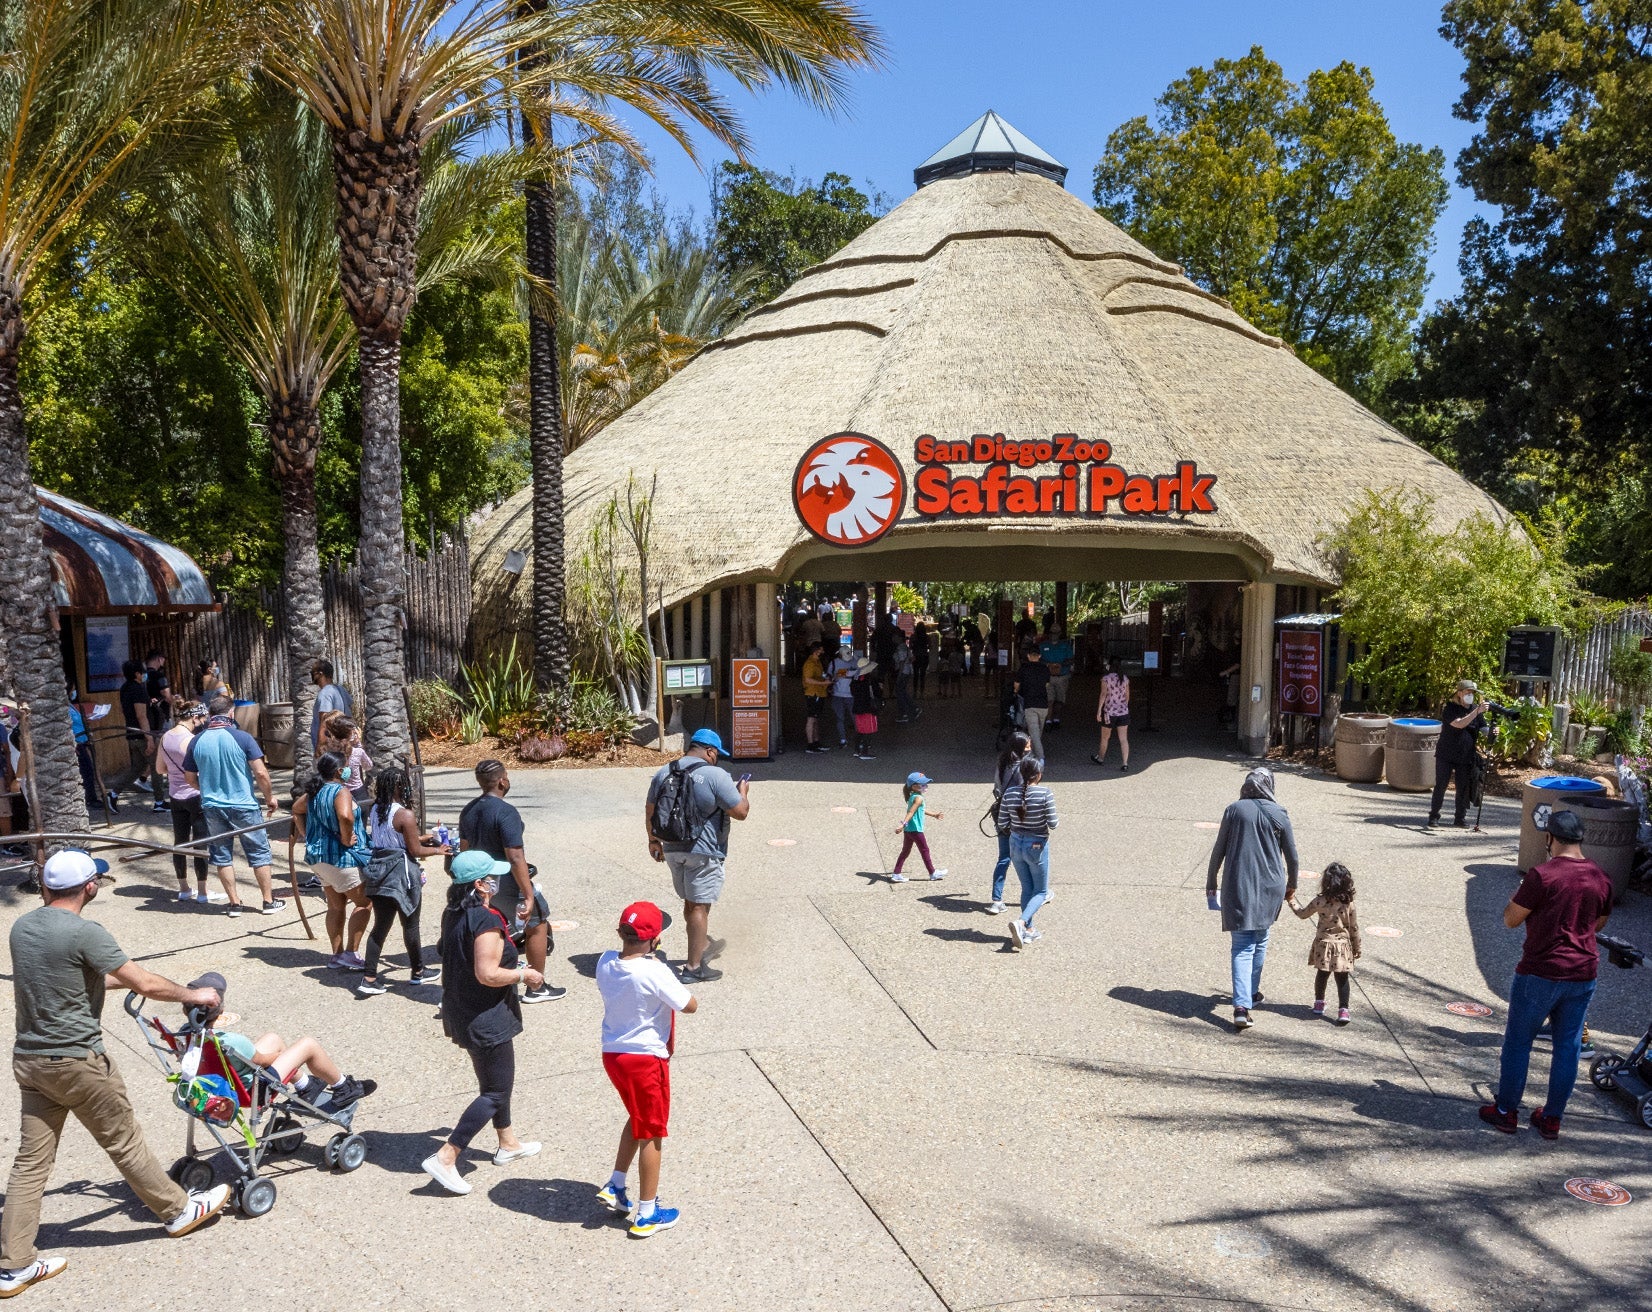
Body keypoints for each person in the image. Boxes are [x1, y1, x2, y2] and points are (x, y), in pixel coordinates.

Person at [0, 850, 231, 1298]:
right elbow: (144, 984)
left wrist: (132, 977)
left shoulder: (22, 927)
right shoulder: (85, 932)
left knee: (30, 1164)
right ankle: (178, 1212)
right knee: (124, 1141)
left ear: (45, 886)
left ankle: (14, 1266)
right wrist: (194, 994)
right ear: (90, 887)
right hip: (78, 1063)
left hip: (31, 1061)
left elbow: (72, 976)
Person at [1479, 810, 1613, 1140]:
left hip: (1540, 972)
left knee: (1518, 1042)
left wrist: (1519, 896)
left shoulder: (1542, 875)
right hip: (1583, 973)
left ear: (1550, 838)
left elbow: (1511, 918)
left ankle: (1506, 1111)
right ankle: (1552, 1118)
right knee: (1567, 1046)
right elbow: (1598, 923)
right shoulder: (1600, 877)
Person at [424, 851, 543, 1194]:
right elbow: (487, 973)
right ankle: (447, 1156)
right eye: (492, 877)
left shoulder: (453, 913)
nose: (497, 881)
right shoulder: (486, 920)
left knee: (494, 1082)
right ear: (479, 885)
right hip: (485, 1016)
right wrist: (523, 974)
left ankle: (508, 1143)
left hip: (462, 1010)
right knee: (495, 1091)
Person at [595, 901, 698, 1236]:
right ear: (655, 940)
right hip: (645, 1060)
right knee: (652, 1132)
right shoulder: (655, 971)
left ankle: (616, 1184)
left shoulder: (605, 962)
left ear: (620, 933)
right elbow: (689, 1005)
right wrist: (661, 967)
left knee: (637, 1117)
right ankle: (647, 1213)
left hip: (614, 1055)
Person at [645, 728, 749, 983]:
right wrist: (743, 791)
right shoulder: (715, 775)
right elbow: (741, 812)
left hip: (671, 847)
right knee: (699, 906)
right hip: (703, 851)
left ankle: (702, 944)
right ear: (710, 751)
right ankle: (693, 968)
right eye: (717, 754)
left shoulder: (664, 772)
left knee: (691, 903)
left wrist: (653, 841)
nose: (716, 759)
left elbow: (650, 810)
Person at [188, 971, 374, 1109]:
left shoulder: (187, 1035)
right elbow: (261, 1061)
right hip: (251, 1091)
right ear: (221, 1011)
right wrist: (285, 1055)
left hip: (220, 1084)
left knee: (273, 1038)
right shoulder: (231, 1041)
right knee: (308, 1045)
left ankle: (305, 1085)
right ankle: (343, 1086)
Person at [459, 759, 563, 1003]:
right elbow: (515, 857)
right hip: (506, 881)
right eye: (506, 776)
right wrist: (528, 894)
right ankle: (536, 987)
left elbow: (464, 850)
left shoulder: (468, 810)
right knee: (537, 922)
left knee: (490, 926)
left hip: (480, 882)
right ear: (502, 781)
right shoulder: (506, 812)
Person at [1206, 767, 1299, 1032]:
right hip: (1271, 886)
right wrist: (1291, 885)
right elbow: (1292, 856)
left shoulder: (1233, 810)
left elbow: (1218, 850)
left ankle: (1241, 1006)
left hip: (1238, 885)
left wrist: (1211, 881)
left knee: (1242, 945)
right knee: (1261, 938)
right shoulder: (1279, 812)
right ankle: (1251, 994)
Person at [183, 695, 284, 918]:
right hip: (244, 805)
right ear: (231, 713)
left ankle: (234, 903)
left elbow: (189, 778)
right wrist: (269, 798)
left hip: (213, 806)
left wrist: (206, 788)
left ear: (210, 714)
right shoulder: (242, 737)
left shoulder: (196, 741)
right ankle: (268, 901)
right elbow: (261, 773)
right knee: (259, 853)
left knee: (222, 855)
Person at [357, 766, 448, 996]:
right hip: (401, 874)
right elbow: (415, 850)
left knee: (380, 927)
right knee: (410, 924)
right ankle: (418, 971)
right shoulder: (405, 814)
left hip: (379, 871)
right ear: (400, 786)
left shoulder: (377, 809)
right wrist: (438, 850)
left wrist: (419, 837)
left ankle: (369, 977)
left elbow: (391, 838)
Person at [293, 753, 371, 969]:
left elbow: (296, 809)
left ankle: (337, 954)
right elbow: (345, 816)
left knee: (336, 906)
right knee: (364, 903)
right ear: (339, 771)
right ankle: (351, 953)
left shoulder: (314, 791)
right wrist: (346, 838)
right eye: (346, 766)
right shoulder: (340, 791)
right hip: (340, 858)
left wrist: (307, 835)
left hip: (319, 858)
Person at [154, 702, 220, 904]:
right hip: (195, 795)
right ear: (194, 717)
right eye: (202, 719)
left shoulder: (165, 737)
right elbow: (203, 769)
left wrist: (175, 773)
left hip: (175, 796)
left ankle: (184, 889)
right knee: (200, 843)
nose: (203, 723)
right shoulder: (192, 740)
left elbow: (159, 769)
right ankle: (202, 892)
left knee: (180, 842)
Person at [1287, 862, 1362, 1025]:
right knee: (1342, 978)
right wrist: (1357, 947)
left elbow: (1302, 914)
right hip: (1342, 946)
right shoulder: (1348, 904)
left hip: (1324, 944)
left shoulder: (1319, 901)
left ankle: (1319, 1003)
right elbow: (1353, 927)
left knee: (1322, 974)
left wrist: (1291, 900)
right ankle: (1343, 1010)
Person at [997, 756, 1057, 950]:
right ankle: (1022, 922)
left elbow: (1002, 822)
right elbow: (1053, 823)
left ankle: (1029, 931)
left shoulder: (1009, 793)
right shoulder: (1045, 793)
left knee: (1026, 888)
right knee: (1040, 891)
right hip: (1037, 845)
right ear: (1038, 774)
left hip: (1015, 844)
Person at [1429, 679, 1487, 829]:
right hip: (1446, 754)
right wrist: (1476, 712)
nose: (1470, 695)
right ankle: (1434, 816)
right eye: (1468, 692)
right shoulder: (1450, 708)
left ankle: (1460, 818)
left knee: (1463, 788)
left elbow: (1483, 728)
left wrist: (1493, 731)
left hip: (1466, 756)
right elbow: (1459, 724)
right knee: (1441, 786)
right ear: (1459, 693)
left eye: (1472, 693)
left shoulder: (1475, 709)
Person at [986, 732, 1033, 915]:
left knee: (1004, 858)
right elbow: (1024, 793)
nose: (1030, 747)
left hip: (1001, 815)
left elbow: (997, 788)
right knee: (1030, 856)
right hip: (1018, 818)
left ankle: (996, 900)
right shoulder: (1023, 766)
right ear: (1020, 747)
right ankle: (1038, 892)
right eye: (1027, 744)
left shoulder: (1002, 761)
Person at [891, 771, 946, 883]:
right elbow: (911, 812)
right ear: (914, 786)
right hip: (915, 829)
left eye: (925, 783)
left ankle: (896, 873)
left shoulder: (913, 796)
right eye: (923, 784)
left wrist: (934, 815)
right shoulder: (919, 798)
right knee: (925, 850)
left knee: (905, 851)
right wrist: (903, 824)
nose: (926, 786)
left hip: (909, 830)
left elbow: (920, 810)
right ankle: (932, 873)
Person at [118, 660, 156, 796]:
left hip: (131, 733)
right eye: (143, 672)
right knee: (156, 766)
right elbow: (141, 716)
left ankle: (114, 794)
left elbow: (123, 709)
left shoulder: (124, 688)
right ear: (137, 674)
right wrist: (149, 738)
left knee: (137, 768)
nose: (145, 675)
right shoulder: (138, 689)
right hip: (141, 735)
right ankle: (159, 801)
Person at [320, 715, 372, 804]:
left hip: (335, 792)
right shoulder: (357, 752)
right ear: (350, 733)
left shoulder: (328, 751)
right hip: (357, 793)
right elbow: (368, 766)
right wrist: (358, 744)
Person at [1013, 646, 1051, 763]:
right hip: (1043, 704)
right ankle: (1034, 754)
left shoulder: (1024, 668)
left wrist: (1016, 691)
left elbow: (1016, 684)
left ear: (1028, 656)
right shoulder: (1045, 668)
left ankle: (1040, 758)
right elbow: (1047, 684)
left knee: (1034, 733)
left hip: (1030, 704)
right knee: (1038, 732)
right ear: (1039, 656)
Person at [1093, 663, 1131, 771]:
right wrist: (1124, 706)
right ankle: (1125, 763)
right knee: (1123, 739)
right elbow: (1127, 695)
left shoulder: (1106, 679)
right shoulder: (1125, 678)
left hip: (1109, 713)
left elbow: (1103, 694)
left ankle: (1100, 758)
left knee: (1105, 737)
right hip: (1123, 712)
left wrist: (1099, 710)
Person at [308, 658, 352, 753]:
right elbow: (349, 711)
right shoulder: (340, 689)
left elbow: (324, 721)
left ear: (320, 674)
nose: (312, 676)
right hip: (343, 744)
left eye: (314, 673)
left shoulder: (325, 693)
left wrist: (319, 748)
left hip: (330, 747)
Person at [1040, 624, 1074, 729]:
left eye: (1056, 633)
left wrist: (1061, 665)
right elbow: (1038, 659)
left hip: (1062, 676)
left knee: (1060, 700)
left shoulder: (1065, 646)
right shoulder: (1043, 645)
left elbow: (1071, 659)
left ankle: (1056, 719)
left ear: (1059, 634)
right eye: (1052, 633)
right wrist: (1048, 664)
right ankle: (1048, 720)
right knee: (1049, 699)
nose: (1053, 635)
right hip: (1048, 677)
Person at [800, 641, 830, 754]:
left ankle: (816, 742)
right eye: (821, 650)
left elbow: (820, 676)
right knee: (811, 719)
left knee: (816, 719)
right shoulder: (810, 663)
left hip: (820, 693)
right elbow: (808, 679)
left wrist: (826, 680)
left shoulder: (818, 662)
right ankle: (810, 745)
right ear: (816, 651)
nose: (823, 652)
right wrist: (823, 683)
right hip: (813, 694)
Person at [850, 658, 881, 761]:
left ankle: (856, 750)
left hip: (857, 708)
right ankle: (864, 752)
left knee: (860, 730)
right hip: (869, 708)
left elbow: (853, 693)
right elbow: (877, 693)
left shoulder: (855, 679)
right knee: (869, 730)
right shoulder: (870, 680)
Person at [826, 645, 856, 748]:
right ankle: (843, 739)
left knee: (855, 718)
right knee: (840, 718)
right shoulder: (834, 663)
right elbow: (829, 677)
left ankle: (860, 739)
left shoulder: (855, 661)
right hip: (838, 694)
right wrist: (838, 675)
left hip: (851, 694)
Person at [891, 637, 919, 724]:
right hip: (907, 671)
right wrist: (908, 663)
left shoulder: (900, 648)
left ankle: (904, 713)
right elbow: (913, 658)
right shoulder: (905, 647)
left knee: (900, 692)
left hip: (902, 672)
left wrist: (899, 673)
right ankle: (913, 708)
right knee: (902, 691)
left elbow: (901, 662)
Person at [912, 621, 932, 697]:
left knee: (915, 675)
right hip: (924, 655)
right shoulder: (927, 637)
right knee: (922, 675)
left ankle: (915, 692)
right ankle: (921, 693)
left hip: (916, 656)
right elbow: (930, 646)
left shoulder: (913, 636)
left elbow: (910, 646)